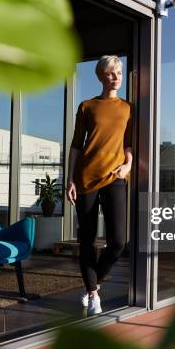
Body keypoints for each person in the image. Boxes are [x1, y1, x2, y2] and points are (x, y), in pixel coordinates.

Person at [67, 55, 133, 315]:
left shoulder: (128, 108)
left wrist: (127, 165)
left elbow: (128, 143)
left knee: (118, 241)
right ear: (100, 76)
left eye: (118, 72)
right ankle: (93, 293)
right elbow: (76, 145)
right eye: (110, 73)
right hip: (85, 178)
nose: (116, 76)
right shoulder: (87, 106)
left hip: (115, 177)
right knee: (87, 239)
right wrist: (70, 179)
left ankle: (93, 282)